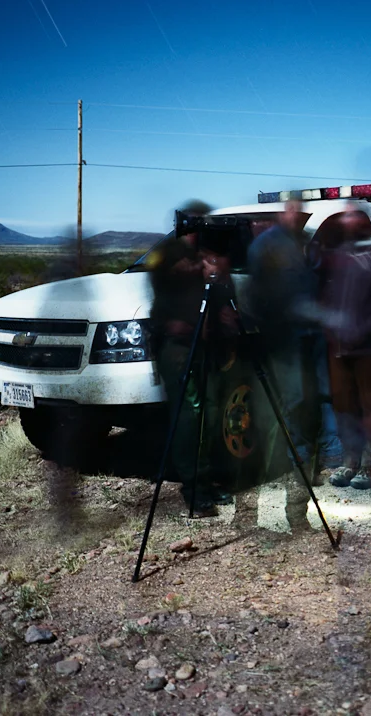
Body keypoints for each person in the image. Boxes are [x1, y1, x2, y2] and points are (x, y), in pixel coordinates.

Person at [245, 199, 326, 534]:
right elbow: (259, 294)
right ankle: (294, 502)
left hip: (305, 336)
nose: (298, 215)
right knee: (293, 409)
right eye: (293, 210)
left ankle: (299, 484)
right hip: (284, 339)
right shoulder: (267, 246)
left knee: (307, 407)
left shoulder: (299, 243)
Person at [148, 199, 233, 517]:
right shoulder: (169, 255)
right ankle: (194, 489)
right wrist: (199, 267)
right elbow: (163, 282)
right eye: (194, 222)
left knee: (210, 413)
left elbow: (221, 291)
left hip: (206, 343)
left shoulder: (206, 254)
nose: (199, 228)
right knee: (188, 416)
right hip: (178, 344)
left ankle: (209, 480)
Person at [322, 208, 371, 490]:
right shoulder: (342, 252)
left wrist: (365, 330)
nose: (348, 224)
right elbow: (330, 293)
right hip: (339, 344)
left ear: (366, 222)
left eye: (354, 219)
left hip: (368, 344)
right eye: (345, 221)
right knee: (344, 404)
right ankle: (350, 459)